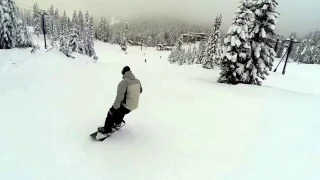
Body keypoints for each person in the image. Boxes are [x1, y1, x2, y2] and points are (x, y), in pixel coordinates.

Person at [98, 66, 143, 135]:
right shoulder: (138, 81)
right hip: (134, 105)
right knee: (121, 111)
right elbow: (140, 91)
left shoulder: (124, 82)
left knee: (111, 112)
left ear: (123, 73)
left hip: (127, 106)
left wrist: (113, 108)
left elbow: (119, 98)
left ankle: (107, 130)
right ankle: (117, 122)